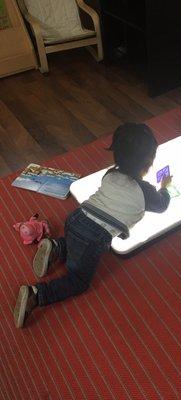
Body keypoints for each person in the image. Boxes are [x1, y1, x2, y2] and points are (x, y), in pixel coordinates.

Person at [14, 123, 172, 328]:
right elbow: (162, 206)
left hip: (76, 218)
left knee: (75, 241)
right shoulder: (147, 193)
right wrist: (165, 187)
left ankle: (56, 247)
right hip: (93, 238)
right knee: (79, 281)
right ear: (149, 163)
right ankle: (36, 294)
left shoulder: (111, 174)